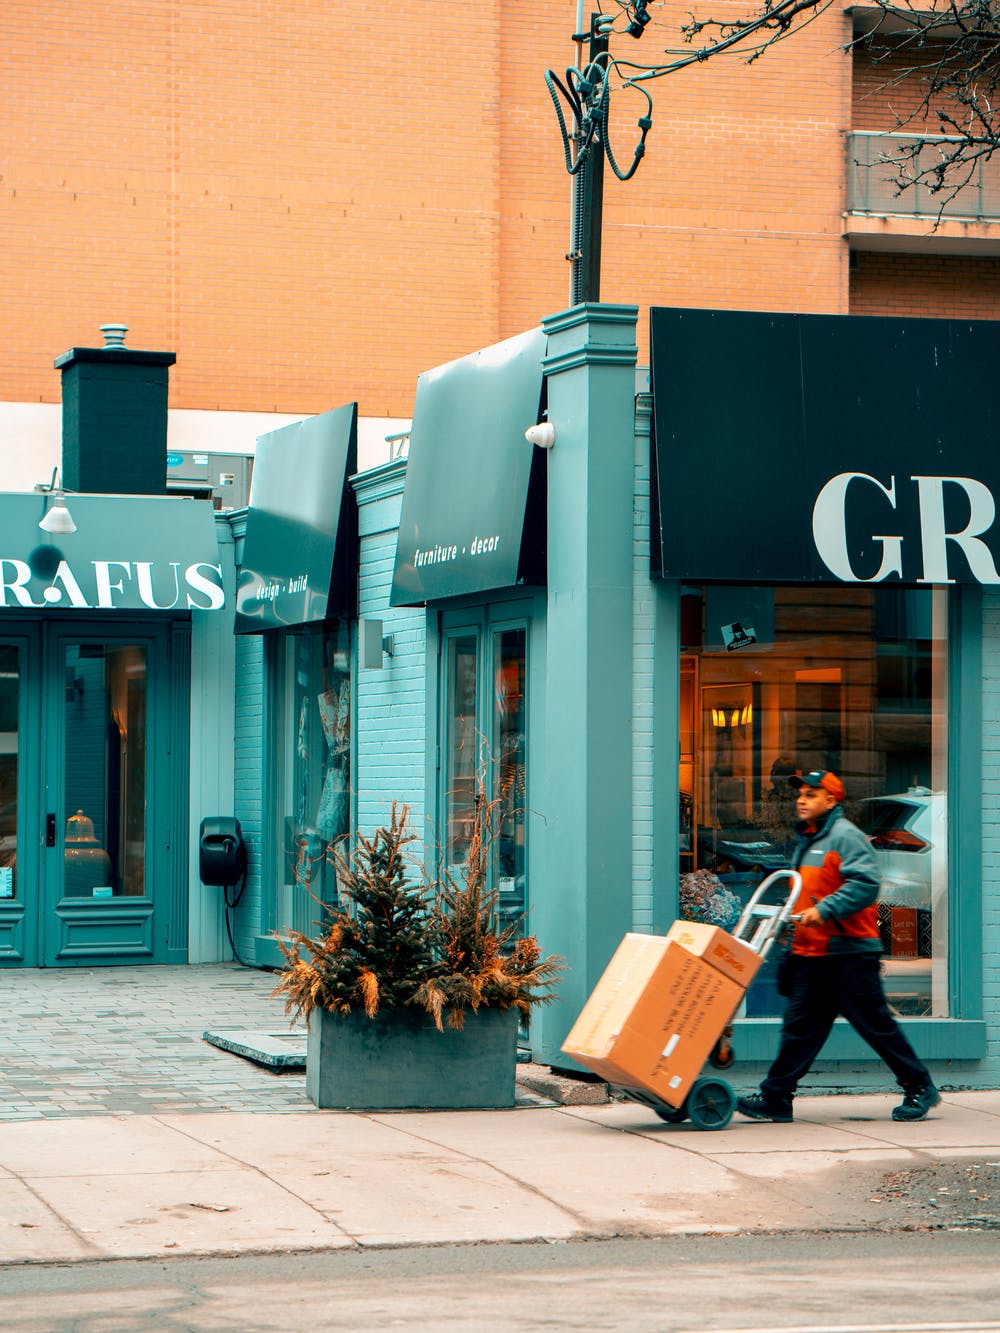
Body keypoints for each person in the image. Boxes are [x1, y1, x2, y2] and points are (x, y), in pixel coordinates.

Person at [736, 769, 941, 1124]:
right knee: (800, 1028)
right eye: (800, 794)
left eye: (811, 795)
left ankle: (920, 1086)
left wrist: (824, 910)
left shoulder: (845, 836)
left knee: (875, 1025)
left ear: (830, 801)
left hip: (849, 952)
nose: (801, 800)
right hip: (814, 953)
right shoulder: (811, 839)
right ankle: (777, 1097)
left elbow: (865, 883)